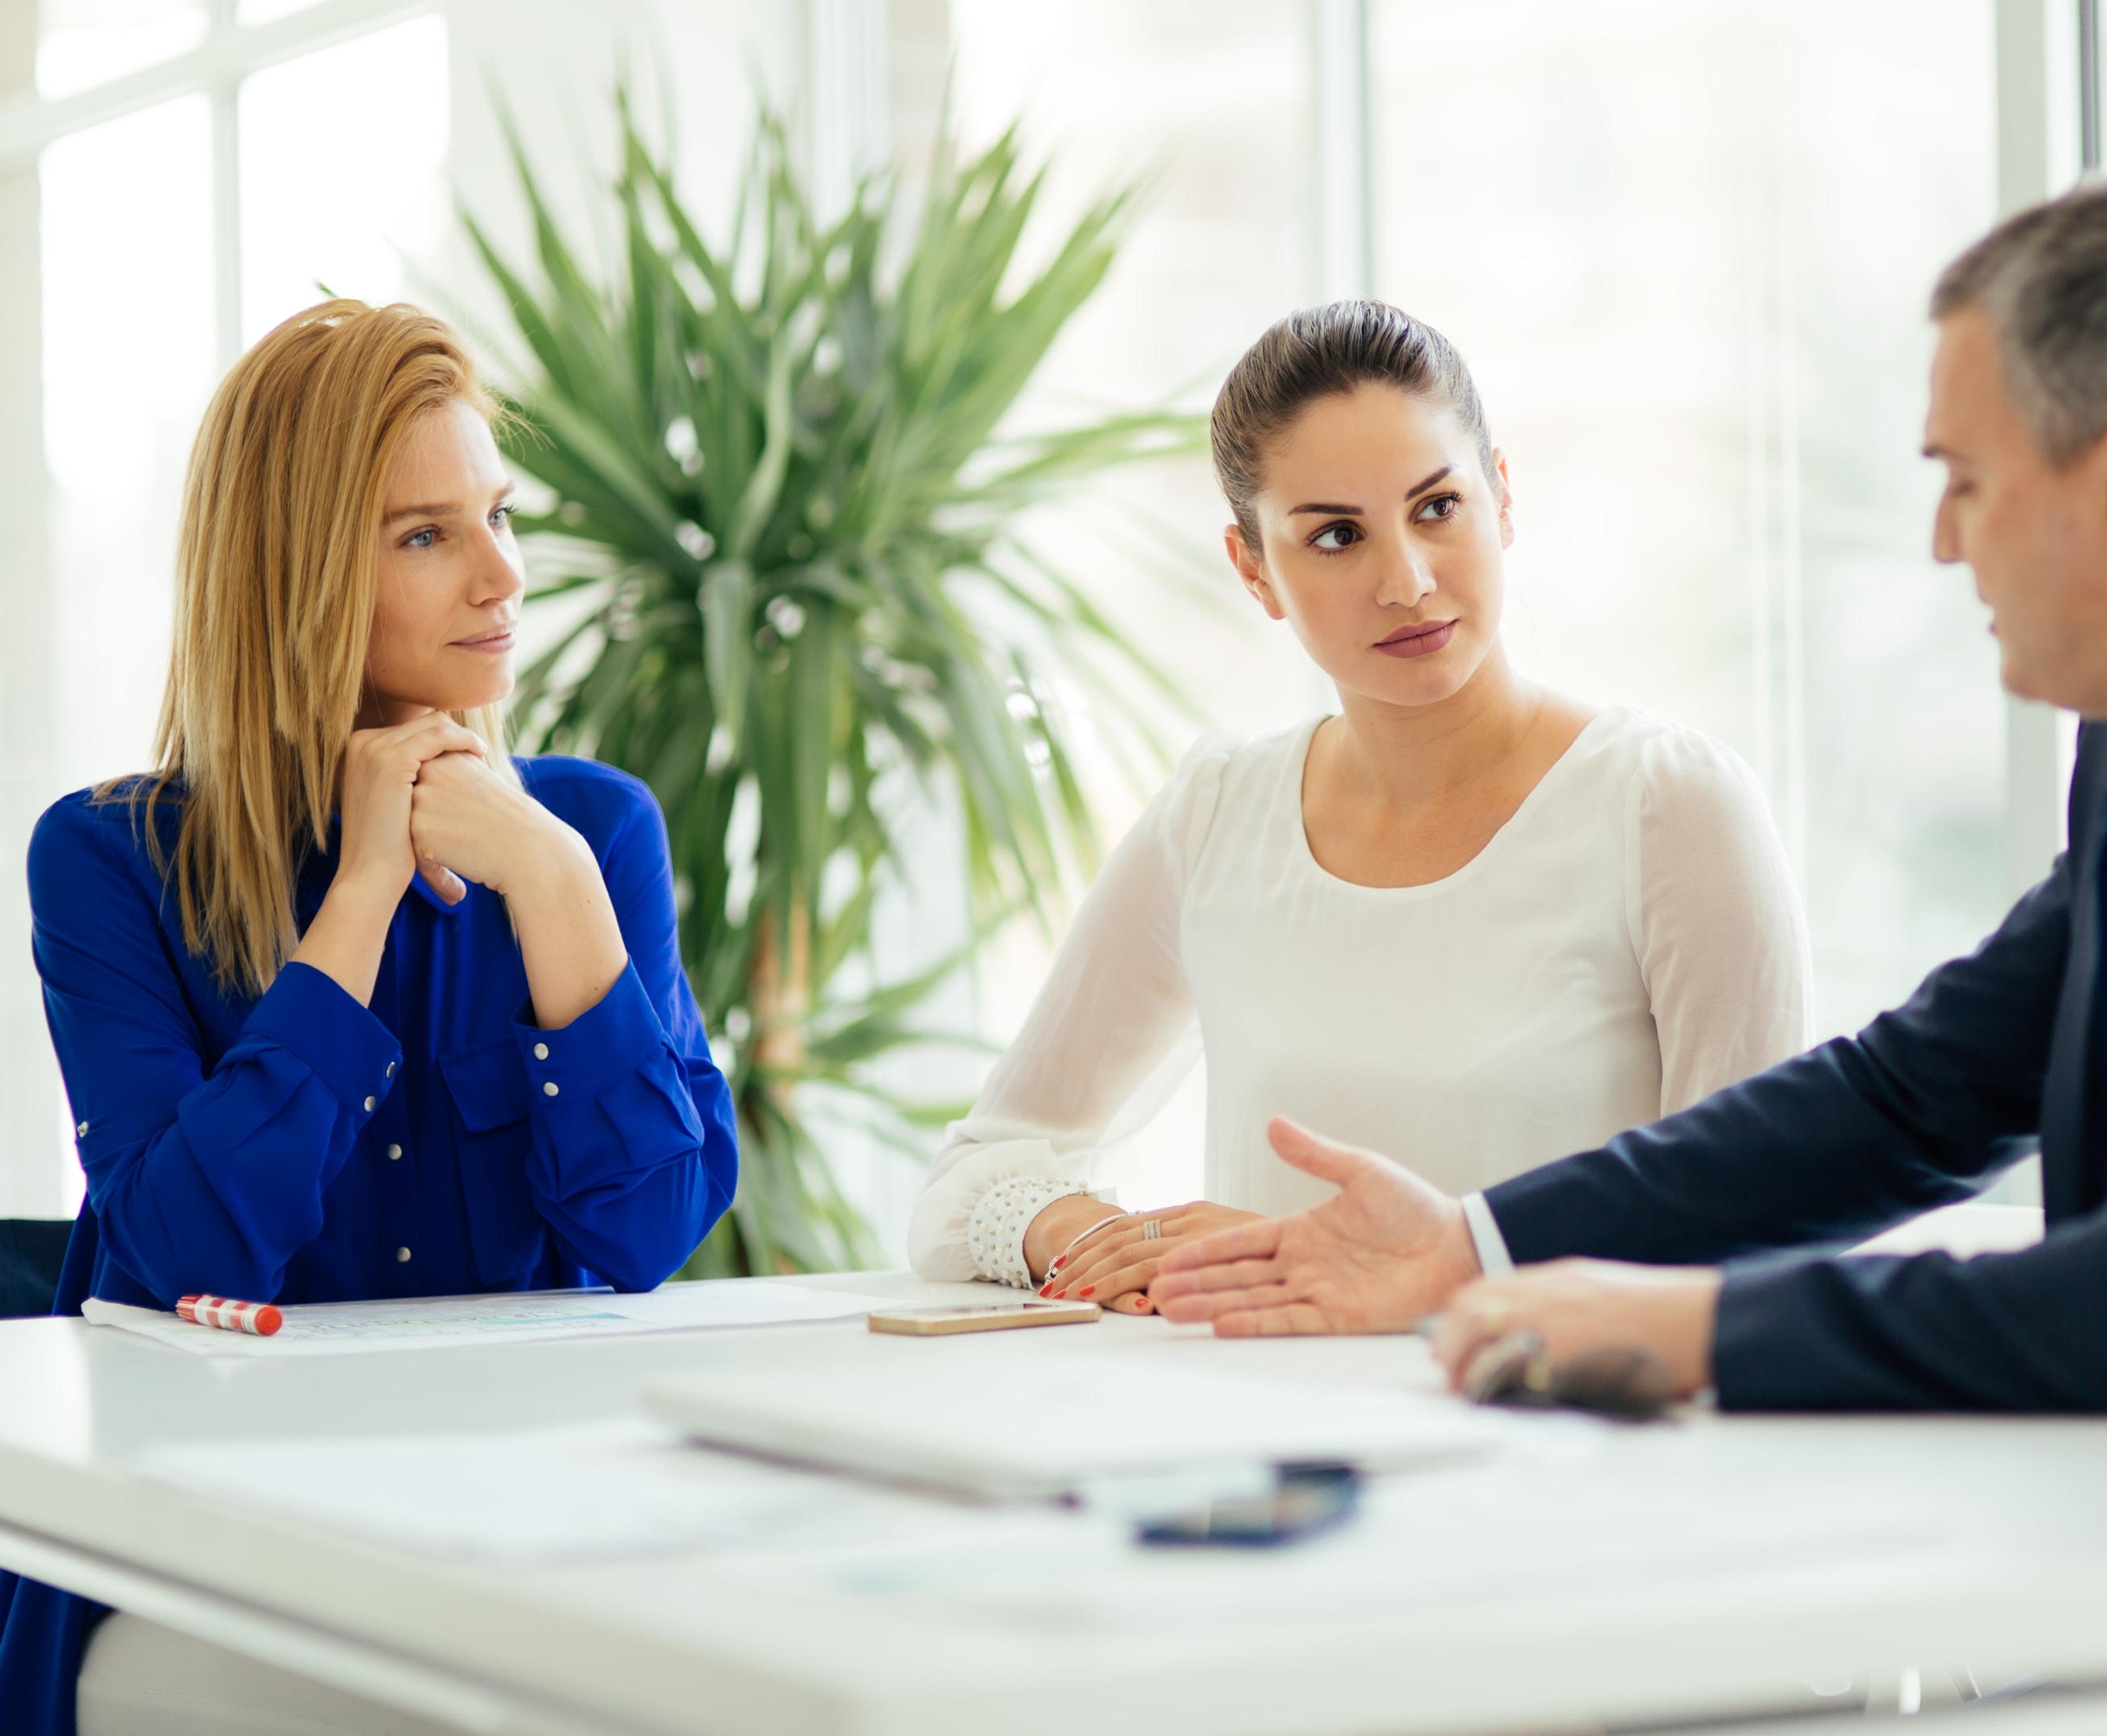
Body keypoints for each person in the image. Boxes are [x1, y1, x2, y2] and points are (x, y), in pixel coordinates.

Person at [1151, 182, 2107, 1454]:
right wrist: (1470, 1242)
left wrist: (1703, 1331)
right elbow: (1924, 1091)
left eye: (1965, 481)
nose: (1939, 539)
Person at [0, 301, 736, 1736]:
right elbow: (190, 1244)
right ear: (292, 574)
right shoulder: (106, 859)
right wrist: (364, 888)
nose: (501, 575)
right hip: (197, 1515)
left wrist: (553, 875)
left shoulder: (590, 831)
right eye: (426, 535)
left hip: (519, 1503)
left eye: (498, 516)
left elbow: (645, 1233)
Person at [908, 301, 1810, 1310]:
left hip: (1550, 1441)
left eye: (1437, 508)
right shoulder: (1216, 817)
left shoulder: (1669, 809)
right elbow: (971, 1181)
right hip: (1260, 1448)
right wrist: (1130, 1241)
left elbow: (1747, 1228)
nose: (1407, 580)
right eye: (1336, 536)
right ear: (1255, 571)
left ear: (1501, 498)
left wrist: (1368, 1269)